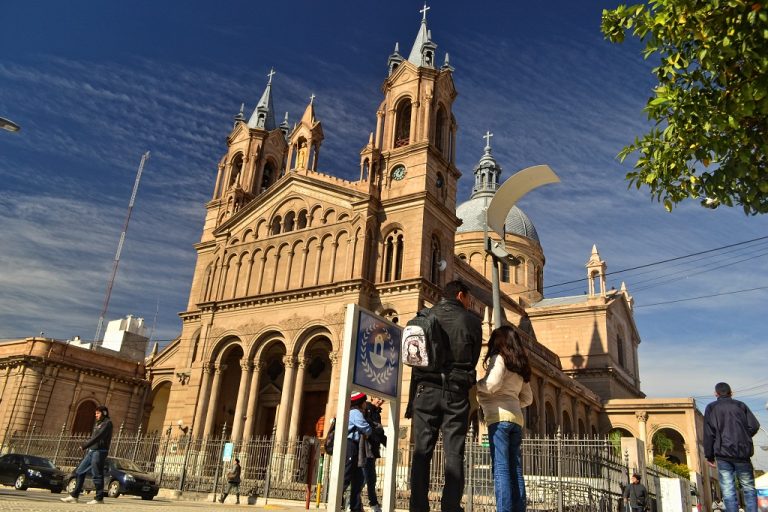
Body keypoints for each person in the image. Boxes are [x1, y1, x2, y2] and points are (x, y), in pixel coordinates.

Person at [409, 280, 483, 512]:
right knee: (454, 453)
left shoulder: (425, 314)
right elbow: (473, 359)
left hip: (425, 391)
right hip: (455, 393)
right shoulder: (471, 321)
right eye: (469, 299)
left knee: (422, 451)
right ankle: (451, 506)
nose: (470, 303)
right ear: (460, 295)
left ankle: (418, 507)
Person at [476, 326, 533, 512]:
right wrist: (512, 402)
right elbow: (528, 398)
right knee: (515, 469)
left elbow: (492, 384)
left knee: (500, 469)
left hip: (499, 419)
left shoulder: (499, 358)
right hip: (516, 420)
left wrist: (477, 385)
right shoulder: (520, 366)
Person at [704, 382, 760, 512]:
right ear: (731, 392)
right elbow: (754, 426)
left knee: (728, 489)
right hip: (742, 454)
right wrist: (744, 437)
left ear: (715, 394)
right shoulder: (741, 405)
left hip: (723, 455)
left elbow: (709, 433)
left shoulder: (711, 408)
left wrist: (709, 456)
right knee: (748, 487)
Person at [61, 405, 113, 505]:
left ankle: (99, 498)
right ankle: (74, 496)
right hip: (92, 451)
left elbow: (98, 436)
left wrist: (84, 445)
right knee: (80, 471)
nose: (96, 415)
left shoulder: (107, 423)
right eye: (95, 413)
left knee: (97, 474)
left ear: (104, 413)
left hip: (100, 451)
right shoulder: (98, 423)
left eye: (98, 413)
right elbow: (93, 437)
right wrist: (88, 446)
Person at [343, 391, 372, 512]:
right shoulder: (355, 413)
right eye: (364, 401)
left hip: (356, 446)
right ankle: (338, 501)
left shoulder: (356, 412)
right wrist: (370, 430)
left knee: (358, 478)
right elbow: (365, 428)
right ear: (360, 402)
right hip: (351, 446)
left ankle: (355, 506)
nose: (366, 404)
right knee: (347, 475)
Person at [362, 397, 386, 512]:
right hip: (365, 448)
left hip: (372, 450)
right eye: (379, 399)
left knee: (370, 478)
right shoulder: (366, 408)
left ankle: (373, 504)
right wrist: (377, 428)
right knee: (364, 478)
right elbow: (367, 426)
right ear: (372, 398)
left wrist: (389, 444)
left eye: (382, 400)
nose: (380, 402)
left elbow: (380, 434)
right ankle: (350, 501)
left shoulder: (377, 413)